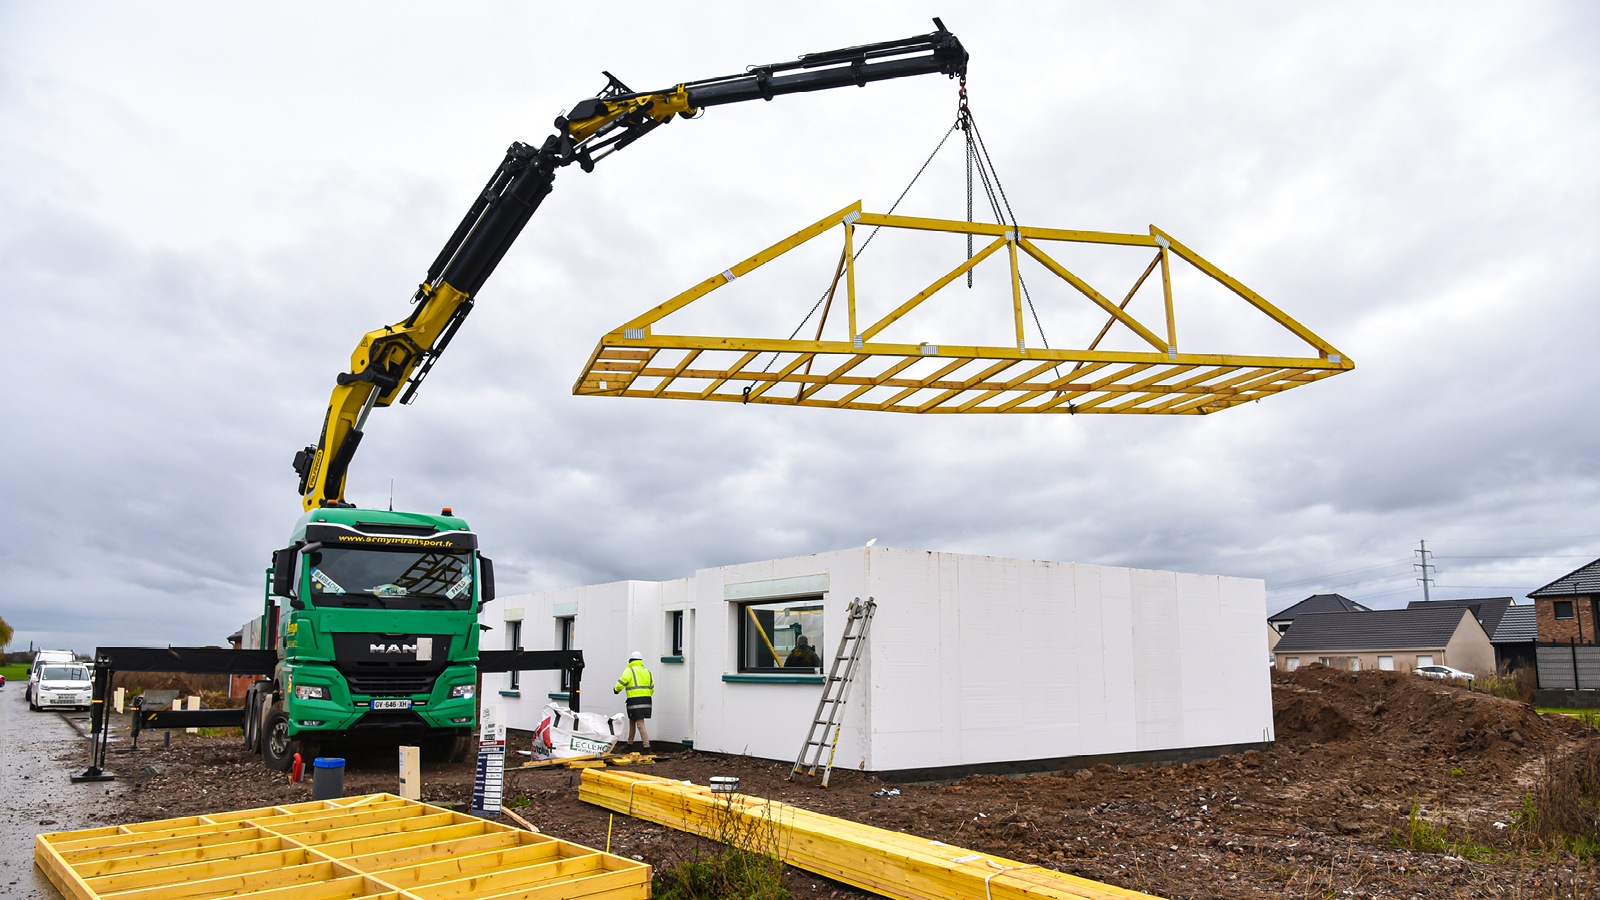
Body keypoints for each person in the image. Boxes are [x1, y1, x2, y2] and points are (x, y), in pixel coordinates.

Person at [612, 651, 654, 750]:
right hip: (647, 700)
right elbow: (652, 687)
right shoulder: (647, 671)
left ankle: (647, 746)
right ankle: (629, 743)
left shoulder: (629, 670)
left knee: (640, 722)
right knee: (632, 720)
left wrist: (616, 690)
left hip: (635, 700)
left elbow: (621, 682)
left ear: (631, 660)